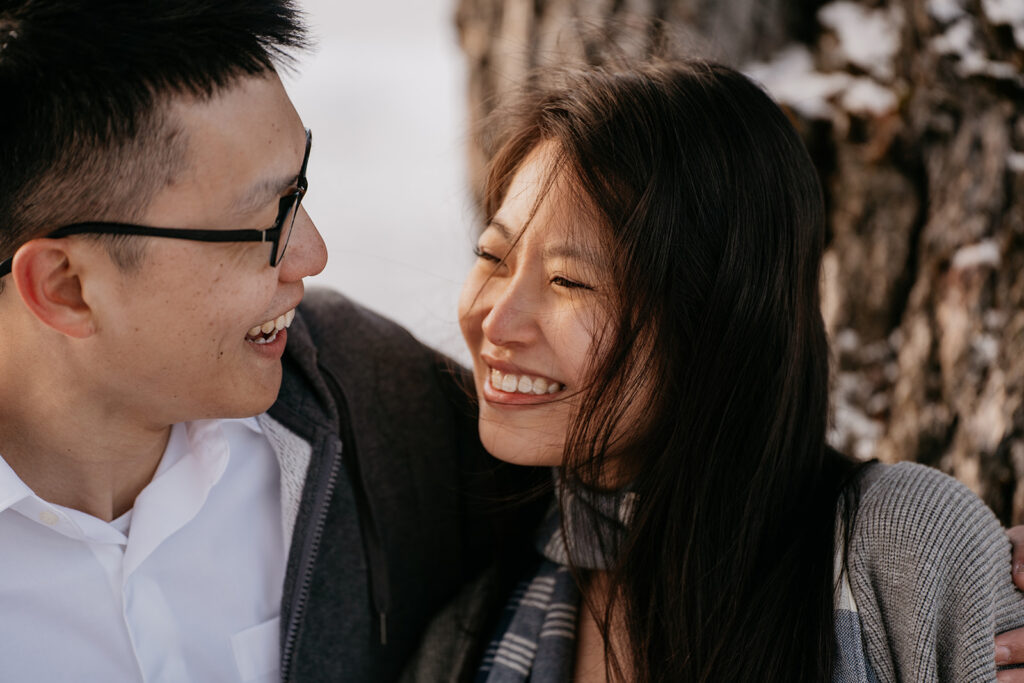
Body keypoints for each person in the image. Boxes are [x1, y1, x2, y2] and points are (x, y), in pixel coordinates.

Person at [404, 60, 1024, 682]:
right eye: (492, 255)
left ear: (718, 324)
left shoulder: (906, 551)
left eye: (570, 280)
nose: (497, 319)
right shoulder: (470, 635)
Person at [0, 2, 542, 681]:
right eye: (266, 220)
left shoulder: (376, 400)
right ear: (66, 286)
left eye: (302, 187)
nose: (312, 254)